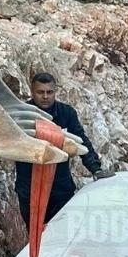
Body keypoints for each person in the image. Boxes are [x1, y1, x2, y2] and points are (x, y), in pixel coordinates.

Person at [16, 72, 107, 226]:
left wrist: (95, 168)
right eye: (40, 92)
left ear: (55, 92)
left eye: (49, 92)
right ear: (32, 92)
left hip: (60, 188)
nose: (45, 96)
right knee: (36, 233)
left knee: (62, 231)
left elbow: (82, 140)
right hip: (30, 190)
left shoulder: (67, 113)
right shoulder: (21, 114)